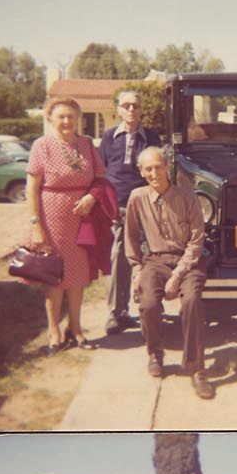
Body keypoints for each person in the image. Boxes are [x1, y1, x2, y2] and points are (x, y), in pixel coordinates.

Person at [125, 147, 215, 399]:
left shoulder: (188, 197)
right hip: (154, 260)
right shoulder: (137, 197)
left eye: (158, 166)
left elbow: (197, 242)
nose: (154, 173)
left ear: (167, 167)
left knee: (191, 301)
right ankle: (155, 353)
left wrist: (178, 274)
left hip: (188, 262)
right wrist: (136, 269)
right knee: (149, 303)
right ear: (142, 172)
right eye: (148, 169)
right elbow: (130, 236)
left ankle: (197, 369)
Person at [26, 98, 106, 354]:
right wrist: (36, 225)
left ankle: (76, 328)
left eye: (71, 116)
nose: (66, 121)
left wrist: (92, 196)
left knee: (78, 276)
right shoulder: (42, 146)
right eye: (61, 116)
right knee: (55, 276)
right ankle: (54, 332)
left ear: (78, 119)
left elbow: (101, 178)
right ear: (50, 119)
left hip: (82, 220)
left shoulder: (86, 144)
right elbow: (31, 188)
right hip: (52, 219)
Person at [99, 90, 160, 335]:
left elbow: (158, 172)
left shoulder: (152, 137)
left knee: (149, 260)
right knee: (118, 260)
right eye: (126, 105)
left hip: (146, 208)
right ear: (119, 110)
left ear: (141, 109)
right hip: (118, 208)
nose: (131, 110)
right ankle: (116, 313)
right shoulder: (108, 137)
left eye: (135, 105)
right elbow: (100, 173)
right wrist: (107, 206)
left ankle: (150, 312)